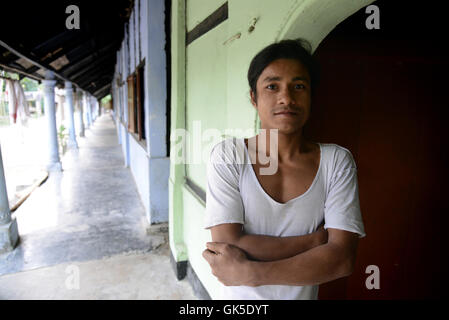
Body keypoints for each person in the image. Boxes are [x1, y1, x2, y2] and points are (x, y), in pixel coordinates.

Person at [203, 39, 366, 300]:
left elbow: (341, 259)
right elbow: (228, 244)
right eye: (272, 86)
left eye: (299, 86)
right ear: (254, 98)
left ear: (312, 95)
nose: (286, 98)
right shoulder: (229, 156)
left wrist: (251, 273)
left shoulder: (335, 161)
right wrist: (312, 242)